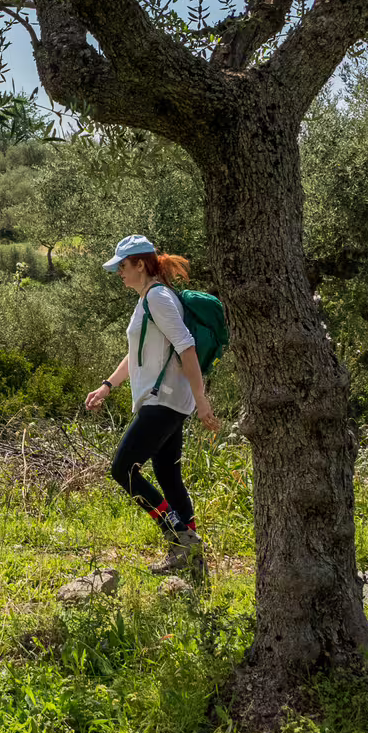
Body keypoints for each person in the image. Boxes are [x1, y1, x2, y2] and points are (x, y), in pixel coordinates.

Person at [85, 234, 219, 578]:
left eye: (123, 266)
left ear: (140, 264)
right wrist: (107, 386)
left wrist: (202, 402)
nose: (119, 273)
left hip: (165, 401)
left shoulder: (158, 298)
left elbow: (186, 347)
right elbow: (138, 353)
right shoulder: (150, 299)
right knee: (168, 475)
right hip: (170, 401)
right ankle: (190, 559)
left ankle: (177, 535)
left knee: (123, 469)